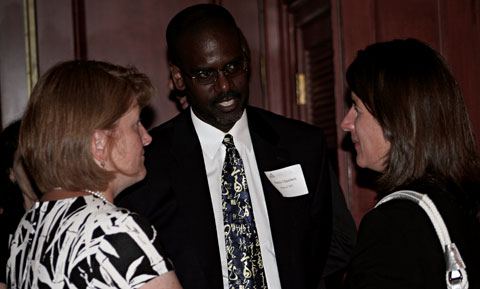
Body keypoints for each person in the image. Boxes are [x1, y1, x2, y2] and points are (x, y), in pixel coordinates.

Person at [116, 4, 356, 289]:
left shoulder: (301, 145)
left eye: (232, 66)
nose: (225, 86)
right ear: (179, 77)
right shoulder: (149, 165)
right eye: (205, 74)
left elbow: (335, 242)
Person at [6, 60, 183, 289]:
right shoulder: (114, 230)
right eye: (135, 124)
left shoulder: (27, 228)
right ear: (99, 143)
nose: (147, 138)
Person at [340, 38, 480, 288]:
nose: (346, 123)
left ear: (396, 119)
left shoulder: (391, 227)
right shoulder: (467, 202)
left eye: (357, 108)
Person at [0, 120, 38, 289]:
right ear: (11, 174)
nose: (36, 168)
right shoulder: (5, 229)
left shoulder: (67, 219)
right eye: (25, 161)